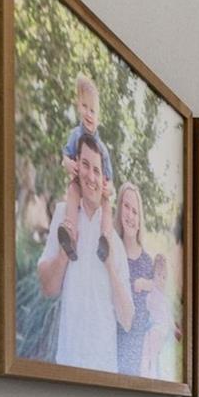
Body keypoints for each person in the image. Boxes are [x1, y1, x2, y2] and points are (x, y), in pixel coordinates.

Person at [36, 134, 132, 372]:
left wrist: (109, 267)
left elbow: (128, 319)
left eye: (97, 170)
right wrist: (62, 257)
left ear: (104, 178)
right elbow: (48, 288)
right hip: (68, 363)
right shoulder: (63, 216)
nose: (91, 176)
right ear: (77, 166)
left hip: (104, 369)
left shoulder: (114, 241)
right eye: (86, 166)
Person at [56, 74, 115, 264]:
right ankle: (70, 234)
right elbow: (65, 156)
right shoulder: (75, 135)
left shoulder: (102, 149)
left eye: (93, 110)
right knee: (72, 191)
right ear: (78, 106)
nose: (89, 114)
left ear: (98, 117)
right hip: (79, 183)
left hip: (96, 192)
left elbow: (110, 179)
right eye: (85, 107)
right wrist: (67, 162)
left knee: (107, 204)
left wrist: (109, 188)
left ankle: (105, 238)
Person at [113, 182, 155, 375]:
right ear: (119, 209)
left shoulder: (148, 264)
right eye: (126, 207)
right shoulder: (111, 253)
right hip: (112, 351)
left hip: (139, 357)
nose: (130, 215)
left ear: (140, 220)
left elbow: (154, 315)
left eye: (135, 211)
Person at [140, 254, 176, 379]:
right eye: (159, 275)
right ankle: (145, 373)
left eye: (164, 277)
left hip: (160, 328)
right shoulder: (152, 289)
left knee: (153, 350)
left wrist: (176, 330)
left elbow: (169, 317)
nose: (161, 280)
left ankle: (152, 372)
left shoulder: (164, 298)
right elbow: (141, 285)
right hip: (152, 327)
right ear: (153, 275)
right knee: (146, 347)